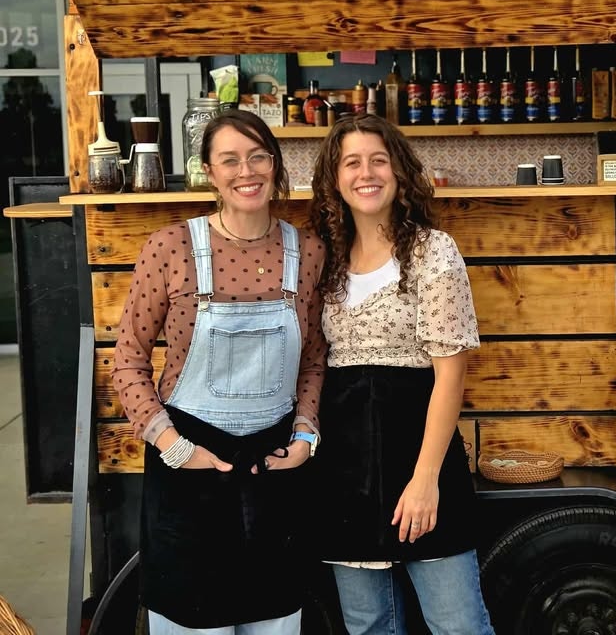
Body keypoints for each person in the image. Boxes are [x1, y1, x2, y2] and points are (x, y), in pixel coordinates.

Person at [111, 109, 327, 634]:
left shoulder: (310, 252)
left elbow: (314, 359)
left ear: (274, 165)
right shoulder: (170, 248)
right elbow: (128, 360)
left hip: (272, 471)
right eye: (229, 159)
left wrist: (305, 434)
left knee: (275, 619)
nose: (245, 171)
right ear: (209, 170)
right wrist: (171, 444)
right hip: (187, 474)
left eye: (257, 157)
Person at [309, 113, 494, 635]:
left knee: (457, 625)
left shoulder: (433, 252)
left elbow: (449, 378)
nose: (366, 173)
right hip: (345, 470)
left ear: (399, 172)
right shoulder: (325, 259)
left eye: (378, 160)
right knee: (369, 626)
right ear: (335, 178)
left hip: (420, 458)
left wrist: (425, 480)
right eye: (351, 163)